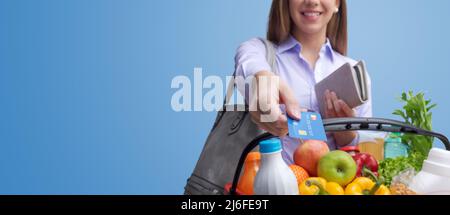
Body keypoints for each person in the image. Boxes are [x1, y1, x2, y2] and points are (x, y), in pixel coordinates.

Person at [234, 0, 372, 164]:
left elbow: (367, 164)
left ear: (336, 3)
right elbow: (249, 64)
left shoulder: (355, 74)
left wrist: (346, 137)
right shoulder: (259, 51)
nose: (312, 1)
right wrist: (265, 84)